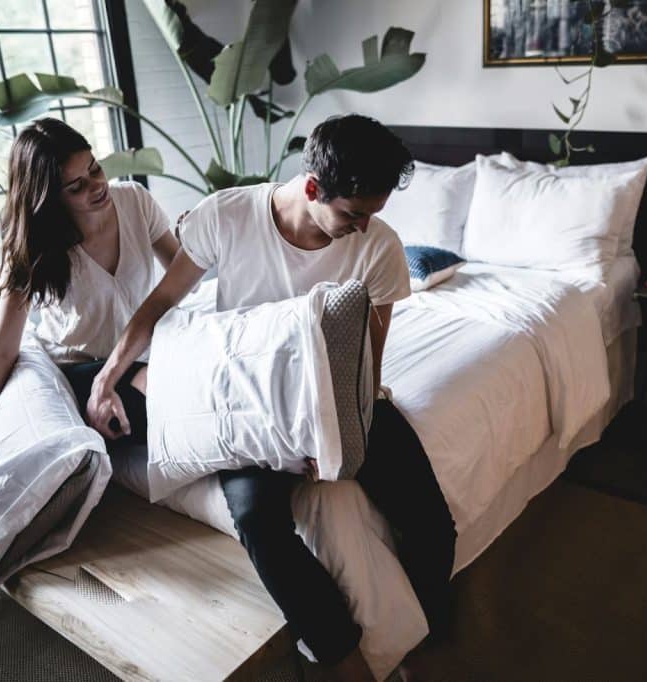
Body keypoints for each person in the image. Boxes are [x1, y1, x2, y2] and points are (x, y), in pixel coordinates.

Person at [86, 114, 457, 680]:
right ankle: (344, 656)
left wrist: (339, 436)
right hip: (253, 401)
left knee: (432, 523)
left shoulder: (377, 247)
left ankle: (422, 635)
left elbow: (368, 358)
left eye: (372, 215)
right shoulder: (227, 215)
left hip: (346, 399)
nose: (361, 228)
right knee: (258, 521)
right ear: (313, 188)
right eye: (352, 214)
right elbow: (160, 305)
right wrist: (108, 375)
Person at [0, 118, 180, 472]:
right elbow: (2, 347)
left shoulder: (135, 201)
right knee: (163, 401)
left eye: (95, 169)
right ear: (49, 198)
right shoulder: (34, 246)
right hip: (80, 367)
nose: (96, 185)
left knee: (178, 389)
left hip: (140, 354)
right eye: (76, 186)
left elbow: (183, 269)